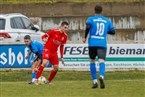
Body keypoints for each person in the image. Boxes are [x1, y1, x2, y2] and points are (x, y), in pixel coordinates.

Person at [83, 5, 115, 89]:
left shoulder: (91, 19)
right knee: (101, 60)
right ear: (101, 11)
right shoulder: (106, 20)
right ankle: (101, 76)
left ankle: (95, 81)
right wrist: (105, 31)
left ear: (94, 10)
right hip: (102, 43)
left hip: (92, 43)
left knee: (92, 61)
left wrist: (85, 37)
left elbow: (88, 27)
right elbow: (113, 32)